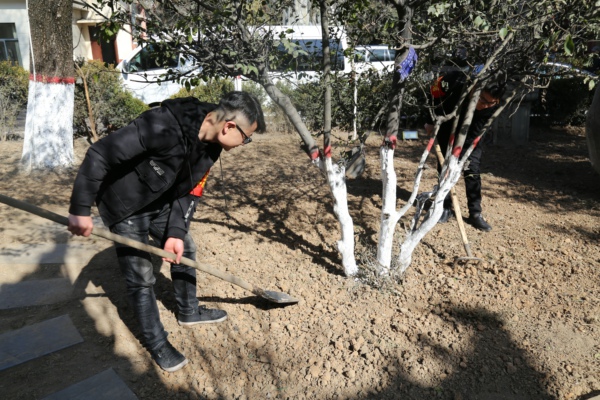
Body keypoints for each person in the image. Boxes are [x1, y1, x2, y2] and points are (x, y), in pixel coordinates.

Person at [67, 91, 266, 372]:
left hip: (160, 199)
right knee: (141, 276)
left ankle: (189, 310)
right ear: (229, 126)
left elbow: (191, 190)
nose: (244, 144)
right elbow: (100, 154)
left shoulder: (212, 145)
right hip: (125, 204)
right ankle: (157, 342)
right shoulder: (161, 124)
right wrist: (80, 208)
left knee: (186, 247)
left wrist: (175, 231)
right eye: (246, 138)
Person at [424, 71, 505, 232]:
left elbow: (476, 131)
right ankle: (445, 206)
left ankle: (475, 213)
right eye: (482, 100)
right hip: (447, 124)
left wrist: (460, 156)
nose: (485, 106)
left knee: (472, 168)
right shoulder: (453, 82)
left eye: (491, 103)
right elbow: (433, 94)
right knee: (444, 166)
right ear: (475, 88)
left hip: (471, 134)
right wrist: (429, 121)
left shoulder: (491, 106)